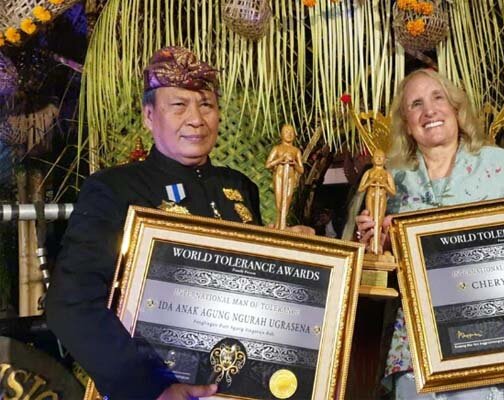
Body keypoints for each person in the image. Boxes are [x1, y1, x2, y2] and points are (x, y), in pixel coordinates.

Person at [45, 47, 306, 400]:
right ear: (149, 116)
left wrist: (293, 254)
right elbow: (71, 303)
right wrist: (151, 387)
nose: (196, 118)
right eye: (179, 106)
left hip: (241, 386)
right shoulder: (116, 189)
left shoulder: (238, 186)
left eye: (206, 105)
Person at [356, 69, 504, 400]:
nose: (429, 111)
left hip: (503, 344)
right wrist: (374, 246)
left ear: (456, 108)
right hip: (420, 353)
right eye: (416, 104)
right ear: (406, 123)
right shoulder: (390, 182)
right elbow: (375, 282)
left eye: (437, 97)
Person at [357, 149, 396, 255]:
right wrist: (370, 181)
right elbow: (360, 189)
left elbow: (393, 192)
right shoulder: (369, 172)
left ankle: (378, 246)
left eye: (381, 157)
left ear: (385, 160)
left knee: (379, 220)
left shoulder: (386, 174)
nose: (379, 159)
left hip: (381, 196)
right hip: (371, 196)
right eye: (376, 157)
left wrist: (384, 184)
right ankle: (371, 245)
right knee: (370, 220)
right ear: (372, 159)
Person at [265, 124, 304, 229]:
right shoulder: (277, 148)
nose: (289, 134)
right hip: (279, 176)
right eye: (286, 132)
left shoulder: (296, 151)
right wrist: (280, 159)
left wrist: (294, 163)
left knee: (286, 202)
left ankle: (282, 225)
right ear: (281, 134)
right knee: (279, 203)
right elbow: (268, 165)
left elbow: (301, 170)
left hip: (290, 178)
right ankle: (278, 225)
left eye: (291, 132)